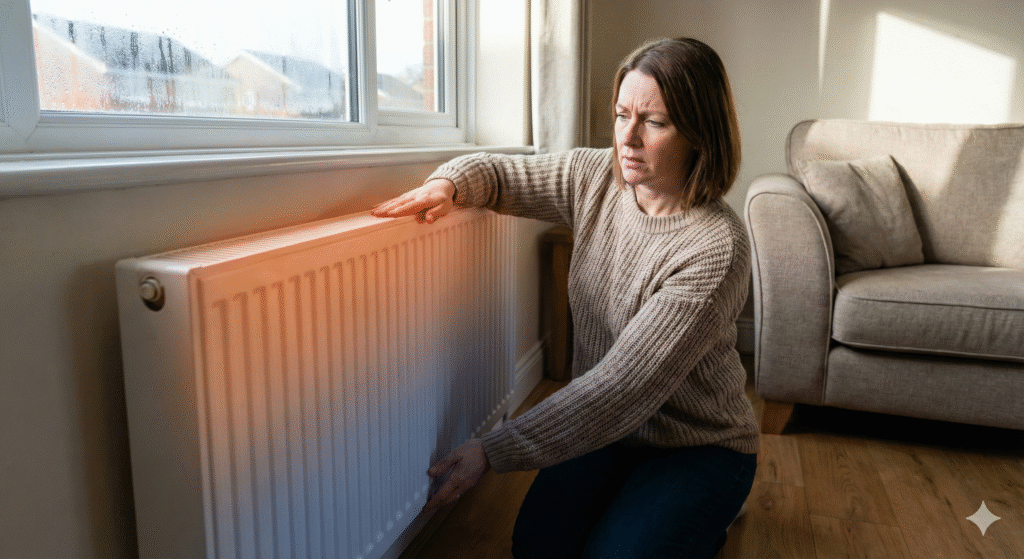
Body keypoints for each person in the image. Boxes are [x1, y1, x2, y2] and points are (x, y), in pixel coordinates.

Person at [371, 37, 759, 559]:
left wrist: (491, 450)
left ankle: (708, 522)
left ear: (699, 131)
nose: (628, 137)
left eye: (655, 122)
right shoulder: (596, 175)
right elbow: (503, 174)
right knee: (537, 545)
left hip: (698, 445)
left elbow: (622, 387)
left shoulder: (716, 247)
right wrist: (449, 185)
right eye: (622, 114)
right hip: (608, 432)